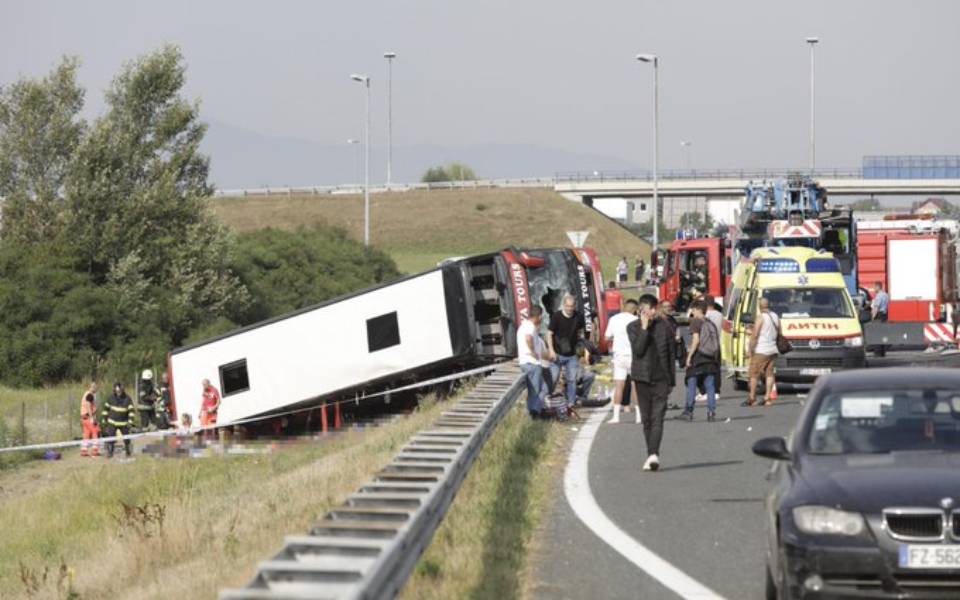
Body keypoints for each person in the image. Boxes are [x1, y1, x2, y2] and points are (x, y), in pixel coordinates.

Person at [627, 294, 676, 471]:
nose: (653, 312)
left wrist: (672, 381)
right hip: (642, 378)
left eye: (655, 308)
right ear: (641, 310)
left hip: (661, 378)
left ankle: (654, 453)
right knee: (646, 419)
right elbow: (638, 350)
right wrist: (644, 328)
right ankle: (651, 454)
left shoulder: (665, 326)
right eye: (650, 309)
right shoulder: (632, 327)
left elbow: (671, 354)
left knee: (658, 418)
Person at [678, 300, 721, 422]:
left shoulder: (696, 322)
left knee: (692, 383)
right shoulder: (710, 323)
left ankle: (689, 411)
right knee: (710, 386)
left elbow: (696, 340)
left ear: (697, 309)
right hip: (710, 358)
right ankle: (711, 412)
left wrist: (689, 356)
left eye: (692, 309)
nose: (691, 312)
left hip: (699, 357)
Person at [547, 294, 585, 411]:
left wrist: (581, 347)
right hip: (558, 353)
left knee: (572, 379)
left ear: (575, 306)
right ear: (564, 305)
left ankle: (571, 403)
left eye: (572, 306)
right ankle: (546, 400)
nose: (570, 309)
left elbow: (580, 331)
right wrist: (551, 350)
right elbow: (549, 334)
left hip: (572, 354)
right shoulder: (556, 316)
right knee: (553, 378)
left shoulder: (579, 316)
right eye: (567, 306)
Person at [605, 298, 639, 424]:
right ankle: (639, 416)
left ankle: (616, 416)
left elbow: (607, 336)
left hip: (619, 355)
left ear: (624, 307)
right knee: (636, 385)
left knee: (619, 386)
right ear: (635, 310)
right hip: (633, 355)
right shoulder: (636, 320)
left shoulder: (614, 319)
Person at [746, 297, 780, 407]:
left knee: (754, 374)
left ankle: (752, 398)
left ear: (759, 306)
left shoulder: (761, 318)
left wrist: (751, 349)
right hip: (772, 349)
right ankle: (768, 397)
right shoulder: (775, 316)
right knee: (769, 373)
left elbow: (755, 335)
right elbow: (780, 332)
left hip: (761, 350)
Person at [518, 306, 549, 418]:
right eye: (541, 316)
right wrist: (532, 351)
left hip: (526, 362)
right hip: (532, 363)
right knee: (536, 391)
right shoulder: (529, 326)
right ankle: (534, 413)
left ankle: (534, 410)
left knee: (541, 388)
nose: (542, 318)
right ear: (538, 316)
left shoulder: (524, 325)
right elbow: (528, 338)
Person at [103, 382, 133, 458]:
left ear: (122, 390)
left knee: (126, 439)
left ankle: (128, 452)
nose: (118, 393)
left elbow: (131, 411)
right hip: (112, 422)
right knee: (111, 438)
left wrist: (130, 421)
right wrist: (104, 420)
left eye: (119, 391)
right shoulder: (110, 398)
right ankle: (110, 453)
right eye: (117, 392)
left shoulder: (128, 399)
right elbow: (105, 409)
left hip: (123, 423)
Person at [79, 382, 100, 457]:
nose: (96, 389)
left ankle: (84, 451)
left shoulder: (86, 394)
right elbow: (88, 405)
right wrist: (92, 417)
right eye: (95, 387)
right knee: (95, 431)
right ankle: (95, 450)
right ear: (92, 387)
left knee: (86, 434)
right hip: (88, 417)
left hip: (83, 418)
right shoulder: (90, 395)